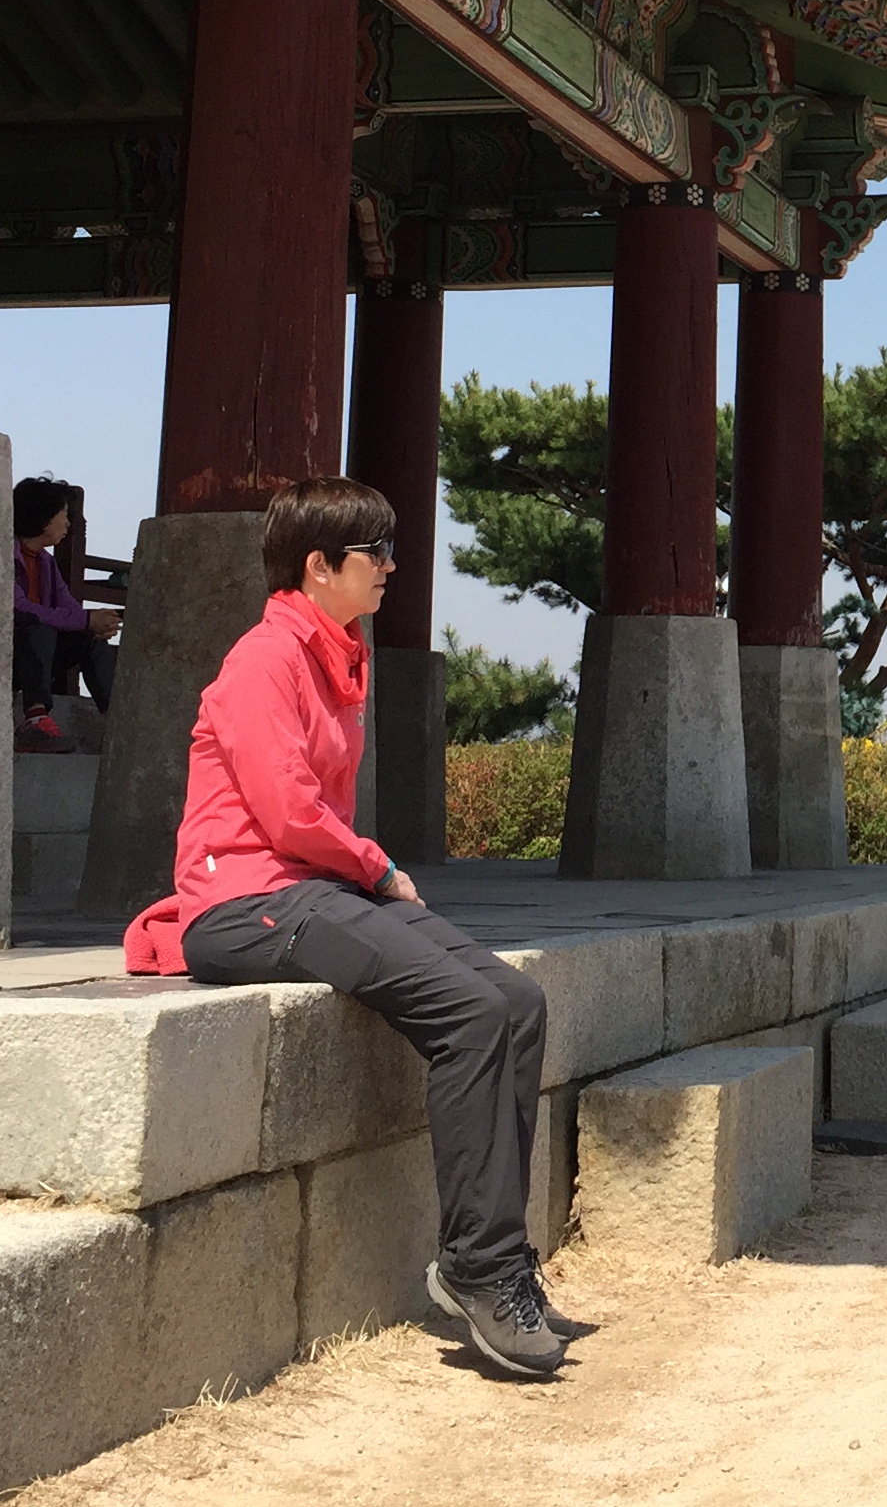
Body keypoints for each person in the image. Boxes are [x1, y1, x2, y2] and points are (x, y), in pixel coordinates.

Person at [121, 477, 570, 1378]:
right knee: (471, 1013)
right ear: (319, 566)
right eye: (377, 552)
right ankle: (479, 1268)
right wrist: (379, 867)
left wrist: (364, 877)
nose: (392, 567)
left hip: (313, 892)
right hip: (244, 903)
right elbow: (288, 811)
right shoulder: (264, 658)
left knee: (516, 1003)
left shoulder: (336, 653)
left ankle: (502, 1258)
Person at [11, 477, 120, 751]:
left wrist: (94, 624)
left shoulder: (45, 562)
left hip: (38, 657)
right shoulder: (4, 554)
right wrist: (86, 620)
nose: (68, 523)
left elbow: (69, 608)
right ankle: (34, 722)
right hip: (7, 656)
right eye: (63, 515)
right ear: (44, 517)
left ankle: (118, 723)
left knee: (91, 639)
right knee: (38, 627)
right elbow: (18, 609)